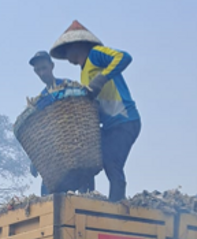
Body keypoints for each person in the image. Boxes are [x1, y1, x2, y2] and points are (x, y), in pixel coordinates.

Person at [50, 21, 141, 202]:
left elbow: (124, 57)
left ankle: (116, 207)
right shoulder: (83, 74)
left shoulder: (96, 55)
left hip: (125, 120)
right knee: (86, 158)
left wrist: (102, 77)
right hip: (108, 126)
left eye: (67, 50)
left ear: (77, 45)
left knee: (111, 163)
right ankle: (88, 200)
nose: (66, 56)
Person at [28, 51, 66, 196]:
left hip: (73, 153)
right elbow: (40, 131)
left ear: (52, 66)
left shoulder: (67, 86)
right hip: (53, 160)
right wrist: (35, 158)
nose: (42, 73)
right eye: (38, 70)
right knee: (47, 198)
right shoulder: (40, 99)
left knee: (84, 198)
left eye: (44, 68)